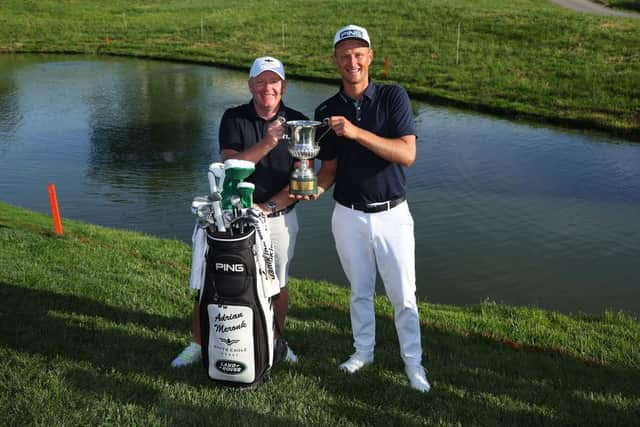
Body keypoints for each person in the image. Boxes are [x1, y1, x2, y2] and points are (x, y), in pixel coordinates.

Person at [312, 25, 430, 392]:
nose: (352, 61)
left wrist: (357, 132)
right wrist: (309, 190)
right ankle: (363, 352)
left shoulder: (394, 97)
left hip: (392, 214)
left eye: (358, 53)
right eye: (344, 55)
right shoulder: (326, 110)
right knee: (359, 291)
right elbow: (328, 170)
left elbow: (407, 154)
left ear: (370, 57)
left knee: (403, 295)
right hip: (347, 214)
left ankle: (414, 364)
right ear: (335, 61)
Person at [171, 56, 306, 367]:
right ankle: (199, 342)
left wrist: (267, 206)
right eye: (260, 81)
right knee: (213, 279)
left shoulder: (298, 121)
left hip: (278, 217)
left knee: (278, 282)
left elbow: (302, 179)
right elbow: (230, 167)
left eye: (273, 82)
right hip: (231, 217)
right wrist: (268, 142)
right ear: (250, 85)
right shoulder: (234, 117)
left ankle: (274, 341)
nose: (267, 88)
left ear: (283, 86)